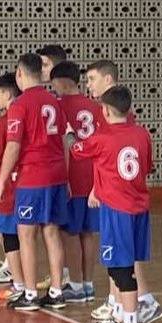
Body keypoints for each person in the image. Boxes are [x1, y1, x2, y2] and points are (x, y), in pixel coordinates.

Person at [71, 85, 153, 323]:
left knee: (120, 268)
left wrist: (69, 135)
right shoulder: (142, 134)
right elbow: (147, 166)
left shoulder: (102, 138)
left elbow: (77, 151)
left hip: (117, 209)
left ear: (105, 111)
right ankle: (122, 317)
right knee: (126, 264)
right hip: (139, 207)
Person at [84, 59, 162, 323]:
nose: (89, 85)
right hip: (123, 197)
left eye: (92, 79)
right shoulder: (122, 119)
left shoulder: (116, 117)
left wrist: (97, 187)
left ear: (108, 80)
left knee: (123, 256)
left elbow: (106, 155)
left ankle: (138, 303)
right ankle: (117, 302)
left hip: (120, 198)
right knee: (120, 255)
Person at [0, 52, 68, 312]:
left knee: (26, 233)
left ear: (19, 73)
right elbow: (63, 138)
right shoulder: (54, 101)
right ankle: (57, 291)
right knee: (51, 231)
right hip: (57, 173)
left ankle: (30, 293)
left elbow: (13, 146)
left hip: (33, 176)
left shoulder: (20, 105)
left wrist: (2, 181)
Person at [50, 60, 100, 303]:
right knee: (88, 232)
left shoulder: (58, 106)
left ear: (60, 82)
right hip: (95, 176)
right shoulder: (96, 107)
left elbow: (62, 144)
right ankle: (88, 284)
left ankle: (76, 285)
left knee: (70, 233)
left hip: (72, 175)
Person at [0, 73, 25, 302]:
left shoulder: (4, 122)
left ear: (8, 94)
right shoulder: (28, 117)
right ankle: (26, 283)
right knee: (25, 235)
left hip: (7, 184)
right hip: (27, 182)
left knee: (10, 236)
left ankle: (19, 283)